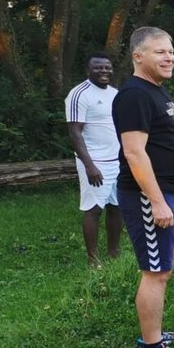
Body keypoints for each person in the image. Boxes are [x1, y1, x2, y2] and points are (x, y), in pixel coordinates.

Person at [113, 26, 174, 348]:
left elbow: (168, 146)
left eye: (171, 51)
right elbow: (135, 153)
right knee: (155, 271)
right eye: (159, 52)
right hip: (145, 196)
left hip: (167, 191)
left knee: (162, 268)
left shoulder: (158, 93)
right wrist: (155, 200)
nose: (169, 57)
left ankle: (156, 335)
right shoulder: (134, 95)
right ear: (138, 56)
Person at [65, 53, 123, 267]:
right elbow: (74, 133)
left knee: (117, 207)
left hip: (117, 160)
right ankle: (93, 260)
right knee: (94, 209)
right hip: (95, 162)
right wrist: (89, 165)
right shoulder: (79, 94)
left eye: (107, 67)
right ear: (88, 70)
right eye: (98, 68)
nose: (104, 71)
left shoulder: (115, 94)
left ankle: (113, 252)